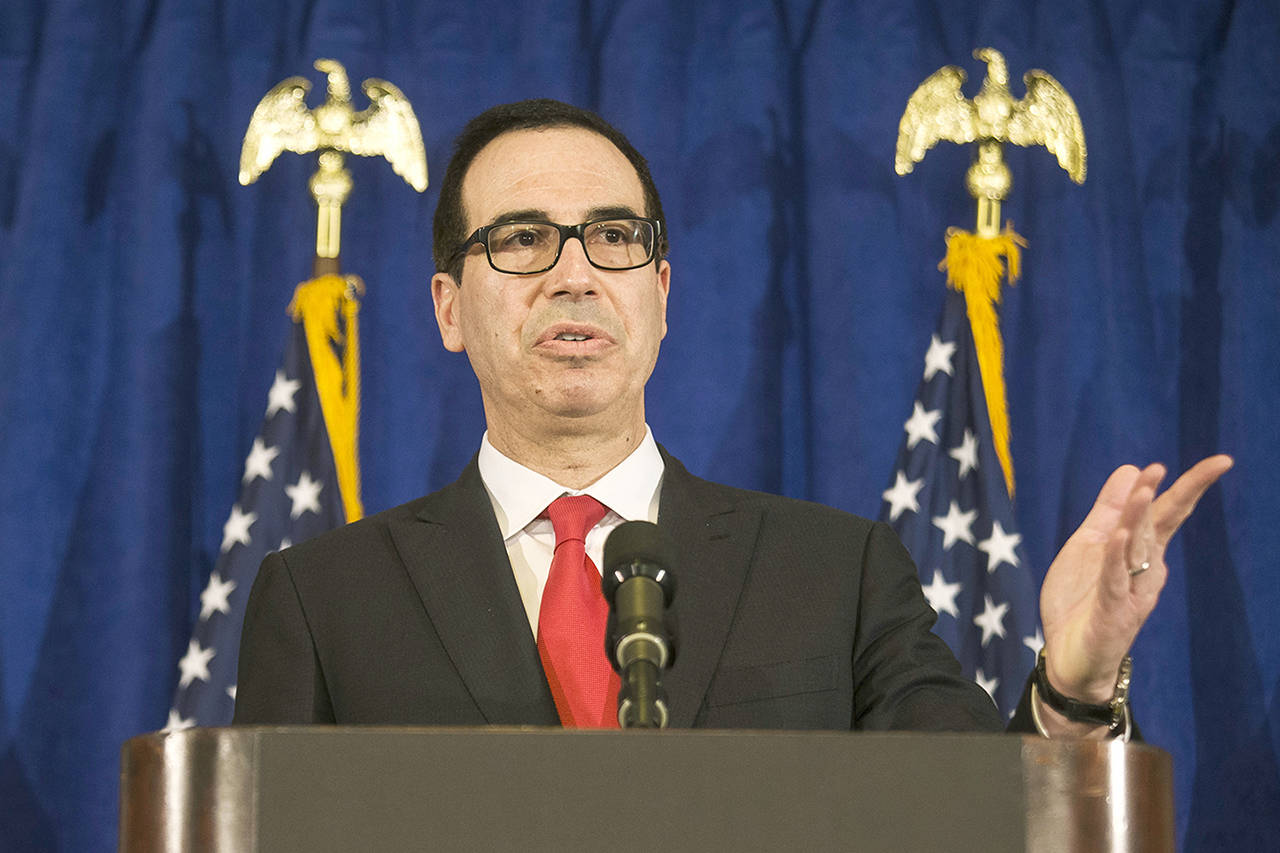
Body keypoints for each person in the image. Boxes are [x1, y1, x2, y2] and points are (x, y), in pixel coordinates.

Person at [233, 99, 1231, 736]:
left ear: (660, 293)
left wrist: (1072, 683)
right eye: (524, 239)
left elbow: (982, 821)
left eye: (613, 238)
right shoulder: (323, 601)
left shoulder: (834, 576)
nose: (573, 273)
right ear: (448, 307)